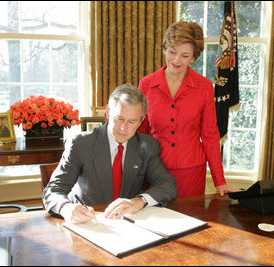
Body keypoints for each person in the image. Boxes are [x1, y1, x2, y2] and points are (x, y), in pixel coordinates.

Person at [43, 83, 178, 224]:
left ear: (141, 121)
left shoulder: (147, 146)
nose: (123, 128)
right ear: (107, 112)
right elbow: (53, 190)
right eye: (119, 118)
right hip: (88, 222)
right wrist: (66, 208)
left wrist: (139, 201)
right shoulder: (81, 144)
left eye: (131, 121)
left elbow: (167, 185)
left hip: (127, 224)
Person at [137, 21, 237, 198]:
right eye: (172, 52)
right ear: (164, 48)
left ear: (193, 57)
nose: (176, 60)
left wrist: (219, 180)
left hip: (191, 174)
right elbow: (141, 135)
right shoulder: (146, 84)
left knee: (191, 222)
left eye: (184, 55)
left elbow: (210, 135)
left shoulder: (204, 87)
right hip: (154, 172)